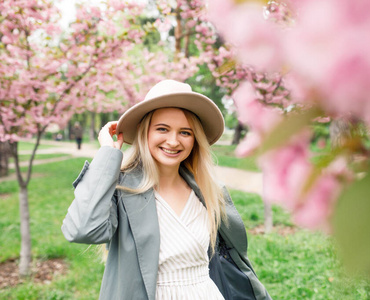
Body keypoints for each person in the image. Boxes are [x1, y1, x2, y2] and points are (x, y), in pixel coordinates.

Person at [61, 80, 272, 300]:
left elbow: (237, 263)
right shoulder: (121, 190)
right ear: (145, 133)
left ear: (195, 140)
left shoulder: (210, 191)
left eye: (185, 132)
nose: (173, 141)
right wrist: (107, 155)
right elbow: (81, 230)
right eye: (162, 129)